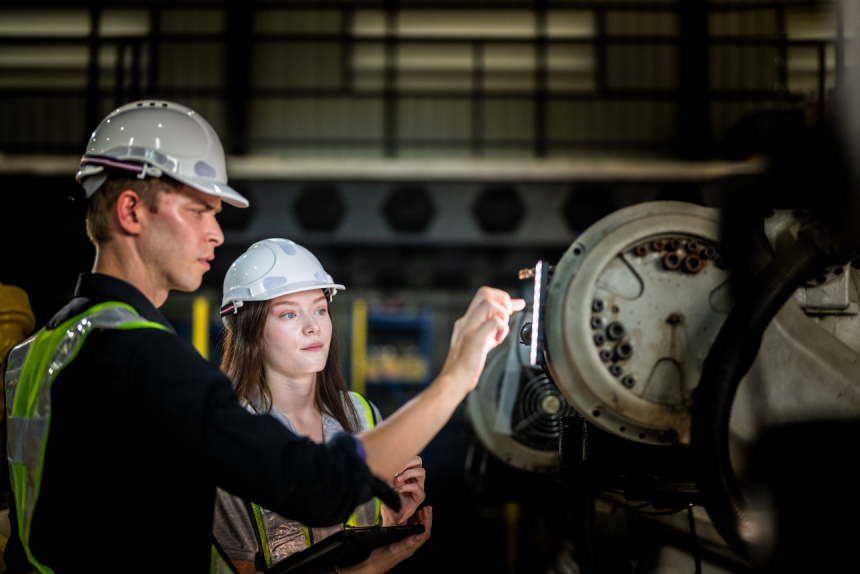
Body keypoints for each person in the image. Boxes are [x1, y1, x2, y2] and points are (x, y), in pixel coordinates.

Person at [2, 100, 524, 573]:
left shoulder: (42, 347)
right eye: (198, 209)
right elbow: (317, 485)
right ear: (131, 210)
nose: (217, 232)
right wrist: (456, 377)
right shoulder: (148, 358)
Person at [213, 239, 430, 574]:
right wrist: (371, 568)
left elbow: (360, 537)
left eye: (319, 309)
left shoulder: (362, 414)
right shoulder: (229, 432)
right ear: (250, 331)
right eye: (288, 313)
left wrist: (390, 521)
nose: (313, 326)